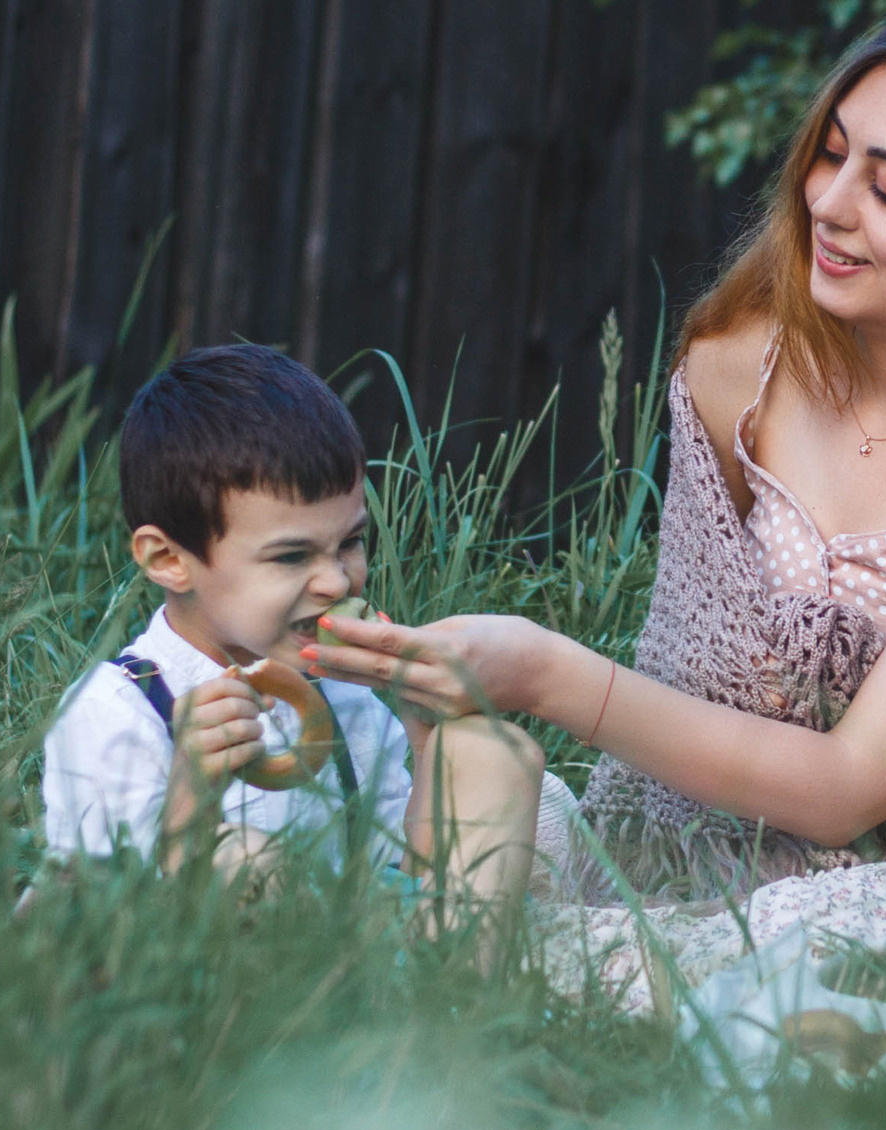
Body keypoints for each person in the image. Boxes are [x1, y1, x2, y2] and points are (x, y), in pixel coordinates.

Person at [305, 1, 886, 1000]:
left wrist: (545, 670)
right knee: (490, 787)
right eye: (831, 152)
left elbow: (852, 786)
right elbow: (690, 666)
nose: (831, 202)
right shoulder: (736, 373)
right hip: (696, 831)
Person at [42, 344, 542, 909]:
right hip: (207, 979)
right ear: (168, 560)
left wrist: (426, 748)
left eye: (350, 542)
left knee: (496, 753)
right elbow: (92, 919)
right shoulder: (121, 711)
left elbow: (396, 877)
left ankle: (456, 984)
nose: (335, 581)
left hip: (364, 969)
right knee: (244, 860)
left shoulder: (345, 696)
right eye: (291, 557)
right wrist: (192, 797)